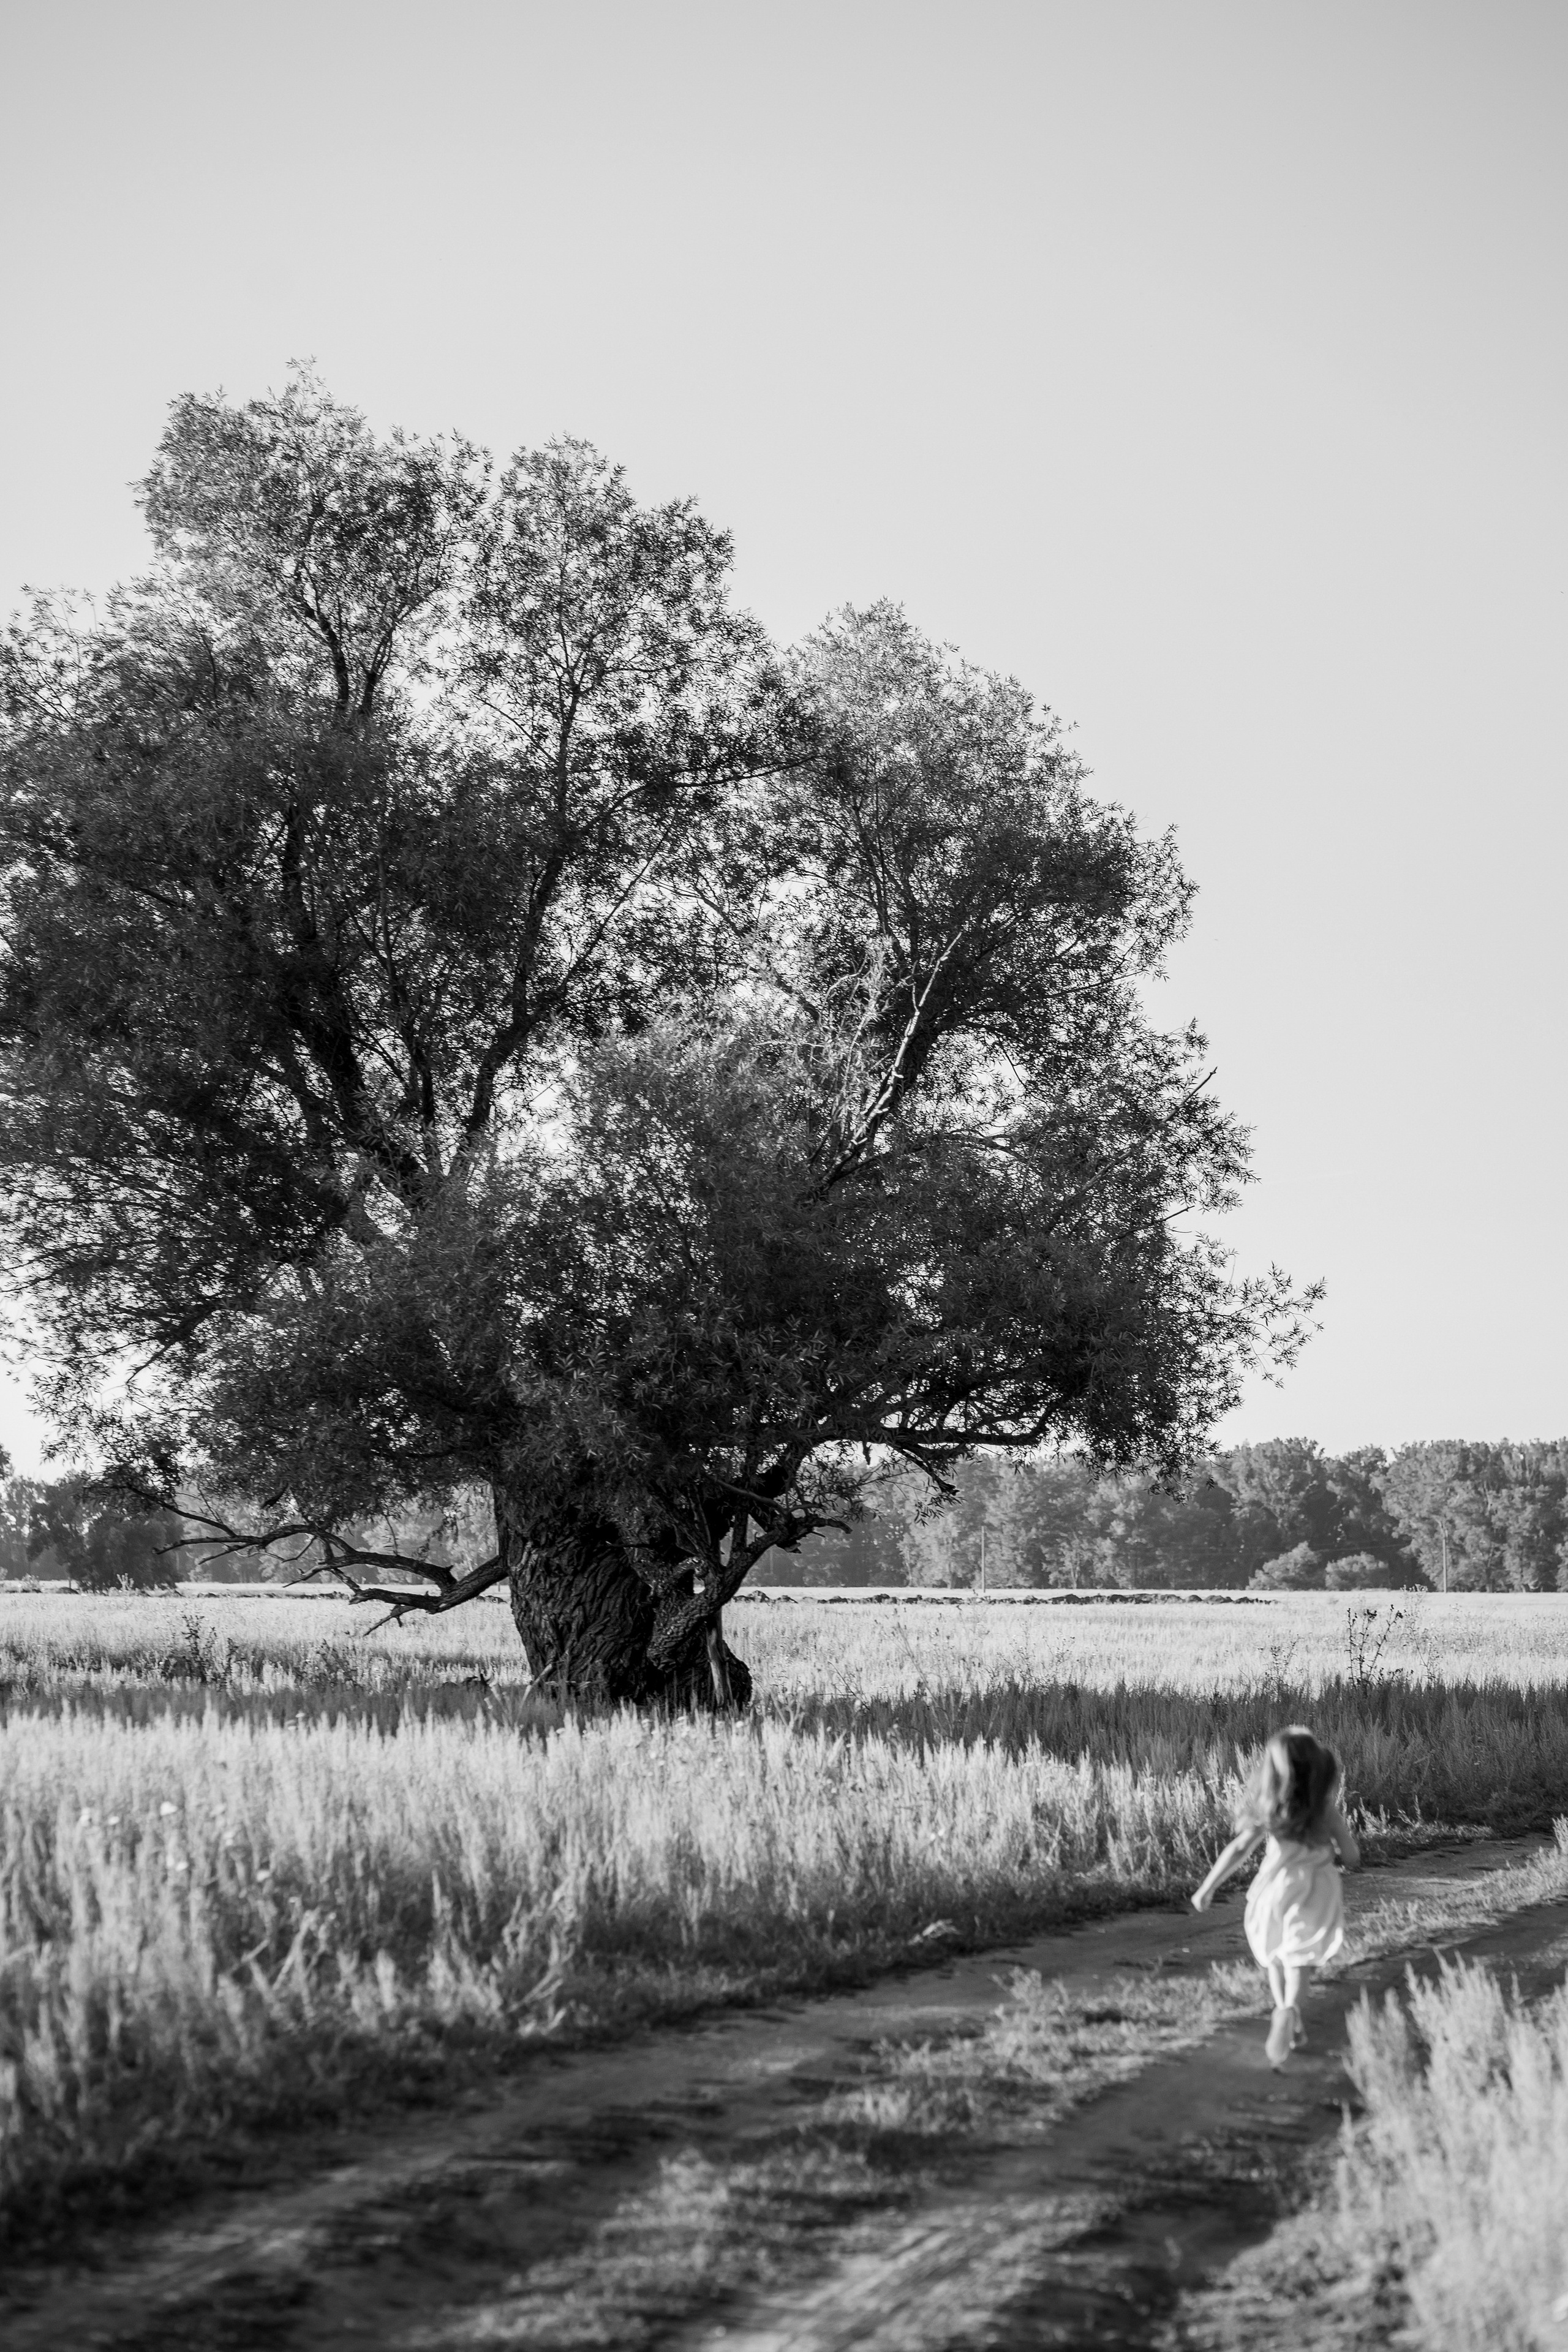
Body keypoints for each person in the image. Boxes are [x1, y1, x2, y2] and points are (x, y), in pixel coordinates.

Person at [1191, 1724, 1362, 2067]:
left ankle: (1281, 2007)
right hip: (1315, 1890)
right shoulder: (1325, 1811)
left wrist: (1207, 1887)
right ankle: (1291, 2011)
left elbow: (1238, 1850)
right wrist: (1348, 1862)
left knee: (1275, 1956)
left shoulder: (1269, 1808)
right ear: (1319, 1770)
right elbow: (1352, 1854)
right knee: (1301, 1960)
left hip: (1275, 1889)